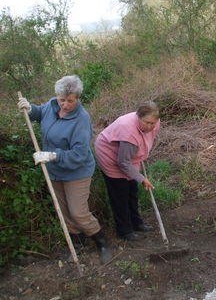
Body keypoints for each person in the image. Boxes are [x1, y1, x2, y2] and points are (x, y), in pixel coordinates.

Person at [17, 75, 112, 264]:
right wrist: (29, 108)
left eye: (70, 101)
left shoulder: (81, 120)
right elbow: (39, 113)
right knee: (63, 211)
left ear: (77, 98)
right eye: (62, 99)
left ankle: (101, 241)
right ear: (57, 96)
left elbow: (78, 154)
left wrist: (53, 155)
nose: (65, 105)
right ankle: (77, 242)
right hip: (54, 171)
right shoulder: (52, 105)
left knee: (78, 212)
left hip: (76, 172)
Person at [94, 101, 160, 241]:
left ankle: (137, 223)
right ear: (138, 117)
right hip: (110, 154)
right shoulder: (129, 132)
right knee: (120, 194)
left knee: (132, 191)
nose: (150, 127)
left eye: (152, 123)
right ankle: (124, 231)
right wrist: (142, 178)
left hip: (127, 155)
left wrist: (141, 155)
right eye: (146, 122)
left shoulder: (155, 123)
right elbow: (123, 162)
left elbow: (145, 140)